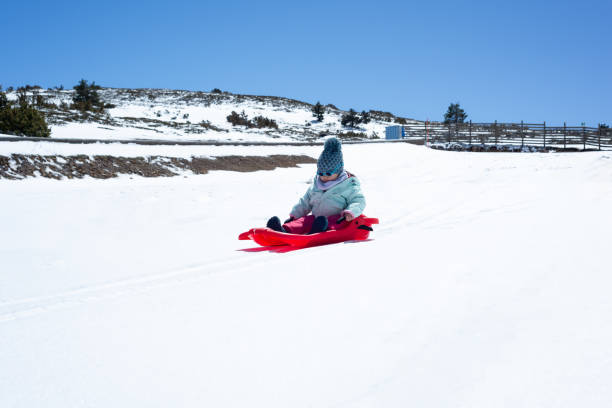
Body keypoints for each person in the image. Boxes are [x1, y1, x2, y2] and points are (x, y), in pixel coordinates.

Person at [267, 137, 366, 234]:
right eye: (321, 174)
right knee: (305, 221)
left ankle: (320, 230)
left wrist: (350, 212)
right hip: (316, 219)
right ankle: (285, 230)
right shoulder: (317, 184)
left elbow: (358, 200)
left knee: (333, 221)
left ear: (339, 170)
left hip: (339, 220)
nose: (324, 177)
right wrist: (295, 216)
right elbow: (305, 202)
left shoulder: (349, 184)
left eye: (328, 174)